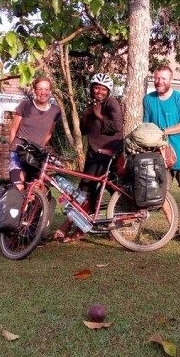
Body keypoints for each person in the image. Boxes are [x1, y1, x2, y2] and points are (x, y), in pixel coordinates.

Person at [54, 73, 123, 243]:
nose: (99, 91)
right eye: (96, 88)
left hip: (108, 155)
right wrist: (87, 114)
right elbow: (84, 130)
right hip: (94, 155)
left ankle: (71, 227)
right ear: (91, 89)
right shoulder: (91, 107)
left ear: (108, 91)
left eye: (103, 89)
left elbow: (117, 126)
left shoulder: (111, 103)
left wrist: (98, 115)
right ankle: (79, 229)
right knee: (88, 193)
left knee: (96, 193)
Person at [142, 65, 180, 241]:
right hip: (160, 154)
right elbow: (146, 125)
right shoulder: (148, 99)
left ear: (170, 80)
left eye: (163, 78)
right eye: (157, 78)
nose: (160, 81)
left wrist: (163, 131)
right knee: (160, 193)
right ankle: (173, 226)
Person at [8, 76, 61, 190]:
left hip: (36, 155)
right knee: (18, 186)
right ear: (34, 90)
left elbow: (49, 134)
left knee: (34, 190)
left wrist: (39, 148)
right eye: (40, 89)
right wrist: (12, 150)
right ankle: (11, 206)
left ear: (50, 91)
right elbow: (13, 129)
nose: (43, 92)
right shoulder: (25, 106)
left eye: (46, 89)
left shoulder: (55, 111)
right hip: (18, 151)